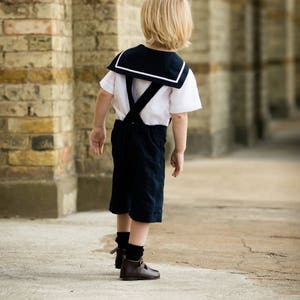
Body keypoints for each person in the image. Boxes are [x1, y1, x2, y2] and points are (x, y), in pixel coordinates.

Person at [89, 0, 202, 281]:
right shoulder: (179, 70)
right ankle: (134, 262)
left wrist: (97, 128)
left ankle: (122, 250)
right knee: (146, 193)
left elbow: (104, 94)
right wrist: (180, 150)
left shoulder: (124, 58)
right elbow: (180, 117)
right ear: (182, 23)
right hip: (150, 137)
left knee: (124, 186)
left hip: (122, 131)